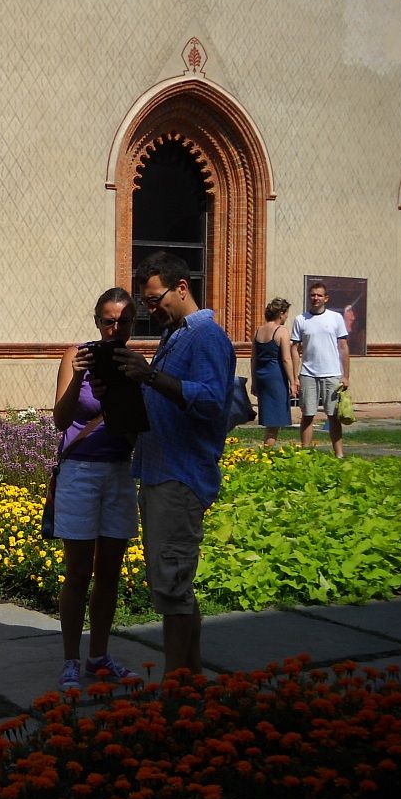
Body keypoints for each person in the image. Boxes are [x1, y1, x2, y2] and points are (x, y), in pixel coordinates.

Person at [112, 251, 234, 677]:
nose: (151, 309)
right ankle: (192, 677)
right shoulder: (176, 335)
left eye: (154, 299)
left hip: (181, 477)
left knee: (172, 586)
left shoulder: (206, 337)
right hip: (161, 472)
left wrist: (149, 376)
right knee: (174, 586)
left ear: (181, 288)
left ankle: (175, 687)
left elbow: (212, 401)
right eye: (145, 302)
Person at [51, 288, 141, 691]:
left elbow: (136, 427)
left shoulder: (135, 363)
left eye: (123, 321)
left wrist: (121, 392)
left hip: (119, 470)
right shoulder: (76, 355)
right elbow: (60, 419)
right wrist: (80, 378)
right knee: (77, 572)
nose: (115, 328)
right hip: (81, 471)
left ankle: (99, 656)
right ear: (97, 321)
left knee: (109, 572)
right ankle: (71, 660)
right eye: (108, 320)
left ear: (133, 324)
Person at [291, 282, 350, 459]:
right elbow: (295, 349)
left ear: (326, 298)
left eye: (319, 295)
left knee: (333, 416)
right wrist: (295, 377)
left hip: (332, 374)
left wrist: (346, 376)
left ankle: (339, 454)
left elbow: (343, 347)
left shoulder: (335, 318)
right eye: (313, 295)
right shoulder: (301, 319)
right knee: (308, 415)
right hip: (308, 374)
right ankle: (305, 453)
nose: (315, 298)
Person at [251, 298, 296, 447]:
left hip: (261, 376)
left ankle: (266, 449)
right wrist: (293, 382)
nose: (287, 316)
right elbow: (286, 359)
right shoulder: (281, 331)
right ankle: (267, 452)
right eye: (286, 313)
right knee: (274, 421)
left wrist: (254, 381)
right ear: (281, 313)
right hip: (276, 377)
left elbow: (253, 359)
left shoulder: (258, 331)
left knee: (270, 418)